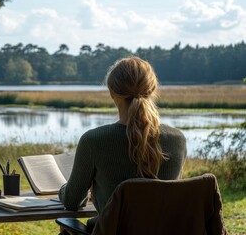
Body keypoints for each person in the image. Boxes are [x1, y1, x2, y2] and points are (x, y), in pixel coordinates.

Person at [58, 56, 187, 231]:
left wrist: (66, 188)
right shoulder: (177, 139)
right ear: (153, 90)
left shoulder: (94, 141)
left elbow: (72, 202)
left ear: (112, 93)